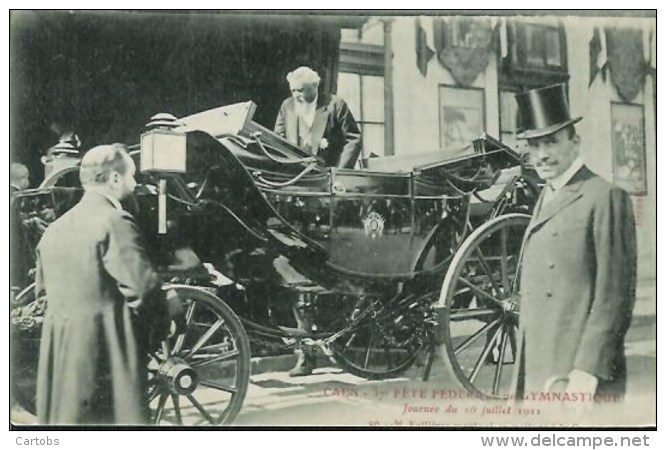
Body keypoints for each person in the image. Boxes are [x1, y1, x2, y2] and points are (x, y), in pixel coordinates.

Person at [34, 144, 184, 424]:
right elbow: (143, 289)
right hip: (107, 355)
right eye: (132, 175)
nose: (135, 182)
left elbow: (42, 291)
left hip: (61, 357)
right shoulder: (115, 221)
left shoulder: (54, 230)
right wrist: (165, 326)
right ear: (115, 179)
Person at [513, 84, 637, 413]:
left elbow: (615, 296)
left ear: (575, 142)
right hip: (542, 367)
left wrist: (587, 371)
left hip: (578, 375)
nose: (542, 155)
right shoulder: (545, 196)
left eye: (552, 142)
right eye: (534, 145)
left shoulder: (603, 196)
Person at [274, 66, 362, 169]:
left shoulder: (335, 105)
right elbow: (278, 139)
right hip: (294, 173)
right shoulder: (287, 106)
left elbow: (353, 139)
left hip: (326, 175)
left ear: (314, 88)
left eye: (300, 90)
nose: (295, 96)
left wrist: (340, 172)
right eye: (293, 91)